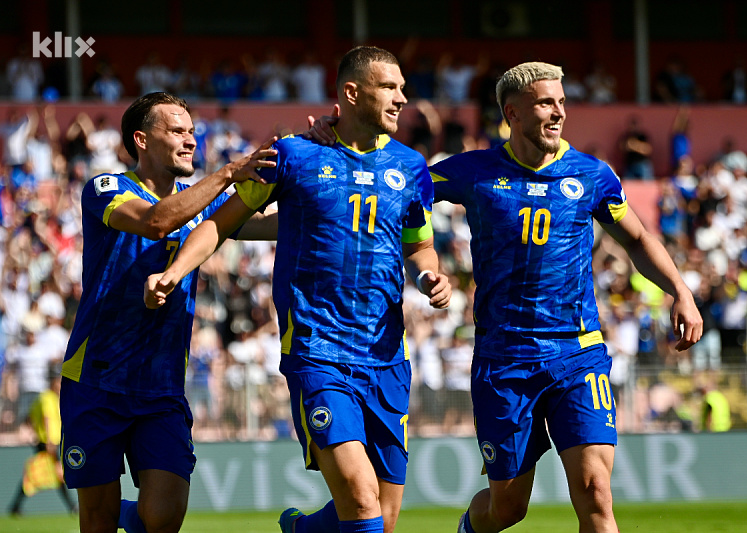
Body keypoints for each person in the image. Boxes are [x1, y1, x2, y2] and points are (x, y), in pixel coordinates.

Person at [306, 60, 703, 533]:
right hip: (504, 360)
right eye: (544, 104)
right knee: (508, 508)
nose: (557, 113)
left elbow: (637, 239)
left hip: (578, 352)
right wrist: (333, 145)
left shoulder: (592, 176)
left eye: (561, 103)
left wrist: (680, 291)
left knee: (596, 492)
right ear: (512, 114)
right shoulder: (475, 172)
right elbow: (391, 185)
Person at [144, 46, 451, 533]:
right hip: (319, 350)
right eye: (390, 87)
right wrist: (175, 271)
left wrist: (429, 274)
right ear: (352, 93)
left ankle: (305, 530)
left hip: (388, 354)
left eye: (402, 87)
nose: (402, 98)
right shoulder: (293, 155)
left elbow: (419, 245)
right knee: (362, 502)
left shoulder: (411, 167)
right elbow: (223, 225)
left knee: (384, 518)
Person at [59, 91, 278, 533]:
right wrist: (230, 172)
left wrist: (311, 169)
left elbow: (271, 223)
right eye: (176, 130)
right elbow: (156, 221)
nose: (190, 140)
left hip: (161, 389)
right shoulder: (106, 189)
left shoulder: (201, 201)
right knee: (96, 523)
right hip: (96, 381)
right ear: (141, 139)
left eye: (192, 131)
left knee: (162, 518)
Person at [8, 367, 77, 516]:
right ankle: (72, 507)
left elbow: (29, 417)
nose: (60, 385)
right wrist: (48, 443)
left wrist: (34, 430)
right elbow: (46, 418)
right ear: (53, 382)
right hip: (48, 444)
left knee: (41, 477)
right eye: (59, 381)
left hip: (48, 443)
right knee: (56, 475)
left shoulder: (44, 398)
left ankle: (15, 506)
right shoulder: (47, 398)